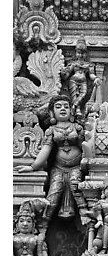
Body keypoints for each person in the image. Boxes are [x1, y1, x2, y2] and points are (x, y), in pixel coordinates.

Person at [16, 95, 89, 224]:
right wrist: (33, 166)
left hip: (76, 166)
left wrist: (87, 162)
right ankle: (43, 226)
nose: (63, 109)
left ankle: (85, 216)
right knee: (53, 193)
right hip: (58, 167)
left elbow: (85, 147)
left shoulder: (77, 128)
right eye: (58, 106)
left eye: (66, 107)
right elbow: (46, 149)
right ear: (51, 112)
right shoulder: (51, 130)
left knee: (75, 185)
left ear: (71, 111)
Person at [60, 35, 101, 117]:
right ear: (76, 53)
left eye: (83, 53)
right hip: (73, 80)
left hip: (83, 81)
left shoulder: (89, 65)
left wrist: (96, 78)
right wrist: (63, 73)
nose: (81, 55)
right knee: (74, 95)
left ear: (86, 54)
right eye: (79, 53)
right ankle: (77, 109)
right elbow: (67, 75)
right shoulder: (73, 63)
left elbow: (91, 75)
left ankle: (73, 107)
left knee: (83, 94)